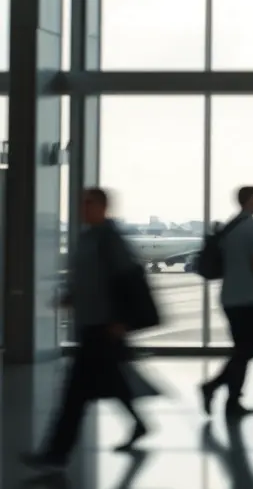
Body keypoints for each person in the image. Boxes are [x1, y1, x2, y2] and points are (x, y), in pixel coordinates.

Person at [21, 188, 153, 471]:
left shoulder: (109, 238)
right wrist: (71, 295)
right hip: (91, 325)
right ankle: (139, 424)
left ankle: (56, 454)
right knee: (113, 383)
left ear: (103, 206)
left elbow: (129, 279)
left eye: (88, 203)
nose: (82, 208)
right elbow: (87, 277)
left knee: (74, 394)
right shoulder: (87, 238)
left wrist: (122, 320)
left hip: (104, 327)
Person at [200, 185, 253, 419]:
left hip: (229, 297)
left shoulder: (230, 228)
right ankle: (214, 388)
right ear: (248, 201)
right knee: (245, 351)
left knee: (242, 350)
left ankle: (232, 400)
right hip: (247, 298)